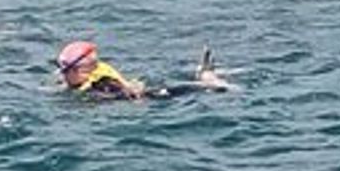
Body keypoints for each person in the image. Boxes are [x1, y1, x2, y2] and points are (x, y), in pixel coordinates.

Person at [56, 42, 231, 100]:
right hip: (150, 97)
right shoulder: (98, 87)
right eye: (92, 65)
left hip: (149, 95)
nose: (97, 67)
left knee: (210, 88)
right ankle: (206, 76)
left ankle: (208, 78)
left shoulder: (98, 85)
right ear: (78, 70)